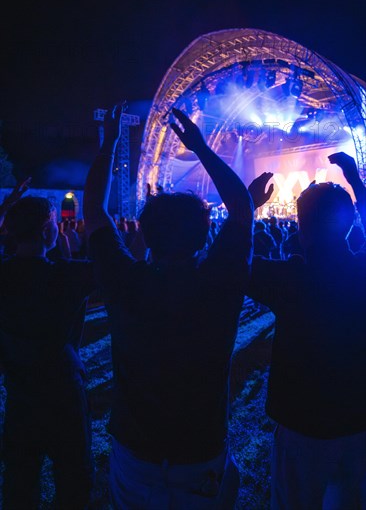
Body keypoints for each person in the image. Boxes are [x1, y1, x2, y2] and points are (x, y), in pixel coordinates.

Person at [83, 105, 254, 509]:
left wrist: (108, 143)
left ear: (145, 233)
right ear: (202, 237)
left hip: (135, 448)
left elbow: (93, 210)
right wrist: (201, 149)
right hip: (200, 449)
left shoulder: (125, 281)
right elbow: (243, 209)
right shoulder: (218, 284)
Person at [247, 155, 366, 509]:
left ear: (301, 224)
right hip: (359, 416)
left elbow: (234, 260)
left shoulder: (290, 278)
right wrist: (356, 182)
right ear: (349, 223)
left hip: (303, 422)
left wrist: (247, 208)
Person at [0, 195, 95, 509]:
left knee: (20, 477)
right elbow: (122, 262)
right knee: (73, 477)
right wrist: (67, 262)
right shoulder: (70, 275)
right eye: (55, 223)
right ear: (46, 231)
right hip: (63, 389)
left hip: (19, 389)